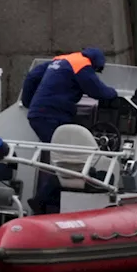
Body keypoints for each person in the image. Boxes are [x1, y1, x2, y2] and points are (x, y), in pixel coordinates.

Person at [20, 49, 118, 214]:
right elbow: (98, 91)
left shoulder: (62, 60)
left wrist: (28, 103)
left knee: (63, 159)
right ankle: (41, 201)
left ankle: (48, 201)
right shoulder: (82, 66)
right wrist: (114, 94)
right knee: (67, 161)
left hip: (41, 115)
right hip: (51, 116)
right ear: (95, 64)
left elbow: (32, 77)